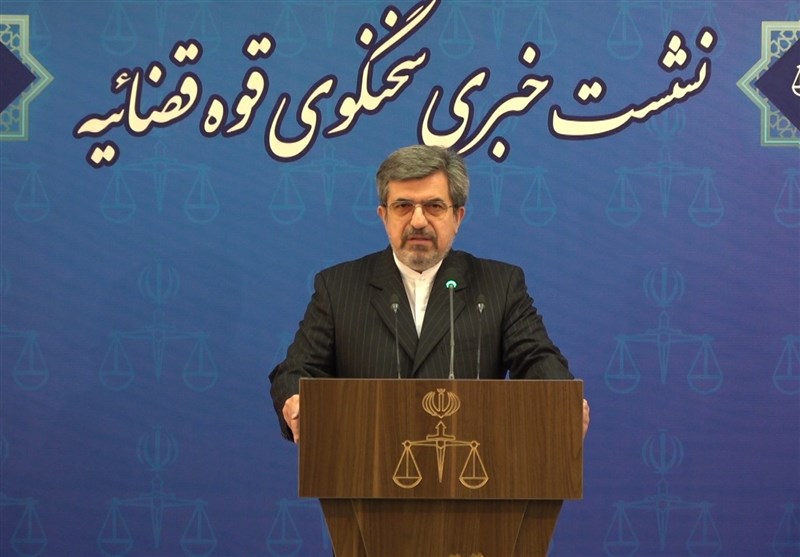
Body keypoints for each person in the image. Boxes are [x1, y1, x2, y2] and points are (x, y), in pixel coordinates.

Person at [269, 144, 589, 442]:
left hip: (471, 468)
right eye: (403, 206)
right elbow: (295, 371)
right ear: (384, 216)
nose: (418, 221)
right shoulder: (338, 287)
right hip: (366, 465)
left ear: (457, 217)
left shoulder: (499, 285)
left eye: (434, 206)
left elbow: (537, 360)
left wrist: (562, 398)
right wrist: (295, 401)